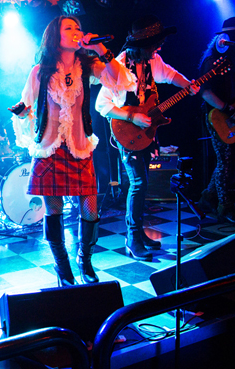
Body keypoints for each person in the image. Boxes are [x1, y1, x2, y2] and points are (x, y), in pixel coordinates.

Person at [10, 15, 134, 285]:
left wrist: (100, 48)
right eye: (69, 28)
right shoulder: (40, 71)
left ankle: (85, 261)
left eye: (78, 27)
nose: (77, 31)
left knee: (90, 211)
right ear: (56, 36)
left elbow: (121, 80)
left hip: (79, 148)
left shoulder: (88, 66)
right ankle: (62, 266)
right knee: (54, 212)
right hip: (50, 150)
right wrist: (21, 112)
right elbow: (26, 104)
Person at [95, 15, 199, 262]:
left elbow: (170, 75)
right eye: (154, 45)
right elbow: (101, 105)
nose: (158, 49)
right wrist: (132, 116)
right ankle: (132, 238)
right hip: (126, 133)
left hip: (146, 134)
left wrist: (188, 85)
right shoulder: (118, 67)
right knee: (138, 183)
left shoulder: (153, 61)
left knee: (144, 183)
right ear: (141, 45)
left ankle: (139, 234)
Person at [198, 17, 235, 225]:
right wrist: (231, 112)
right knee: (225, 161)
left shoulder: (234, 60)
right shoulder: (213, 61)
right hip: (218, 117)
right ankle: (224, 207)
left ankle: (207, 197)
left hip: (231, 114)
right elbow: (205, 92)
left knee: (228, 160)